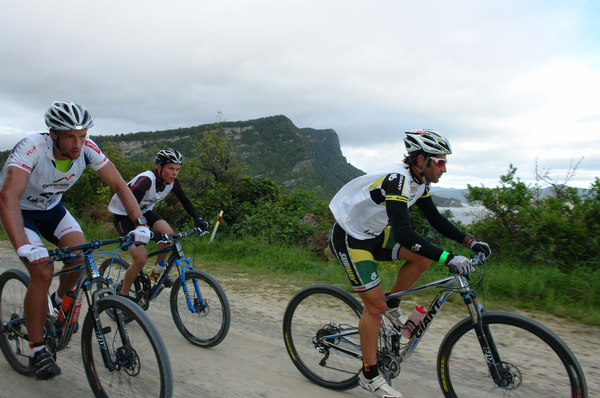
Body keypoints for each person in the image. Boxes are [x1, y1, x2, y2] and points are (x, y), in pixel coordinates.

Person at [328, 129, 491, 398]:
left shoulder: (420, 182)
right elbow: (404, 233)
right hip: (351, 237)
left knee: (422, 258)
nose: (445, 169)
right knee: (374, 306)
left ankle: (393, 305)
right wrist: (448, 258)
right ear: (420, 160)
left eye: (445, 162)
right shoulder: (398, 181)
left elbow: (435, 219)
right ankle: (369, 375)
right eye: (440, 162)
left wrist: (469, 241)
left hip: (375, 234)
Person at [0, 101, 151, 380]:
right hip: (19, 211)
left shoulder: (88, 150)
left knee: (79, 257)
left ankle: (58, 302)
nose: (77, 144)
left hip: (52, 210)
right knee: (42, 270)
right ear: (53, 134)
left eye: (82, 135)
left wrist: (139, 222)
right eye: (70, 136)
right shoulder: (32, 148)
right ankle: (36, 350)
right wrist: (24, 245)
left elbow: (119, 184)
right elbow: (8, 195)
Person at [107, 148, 208, 299]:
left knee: (168, 234)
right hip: (124, 215)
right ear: (159, 167)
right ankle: (123, 296)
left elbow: (185, 201)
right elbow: (130, 206)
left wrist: (198, 220)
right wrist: (145, 230)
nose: (174, 173)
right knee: (140, 259)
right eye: (171, 168)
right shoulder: (146, 180)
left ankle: (156, 275)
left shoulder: (171, 183)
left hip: (144, 211)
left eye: (177, 169)